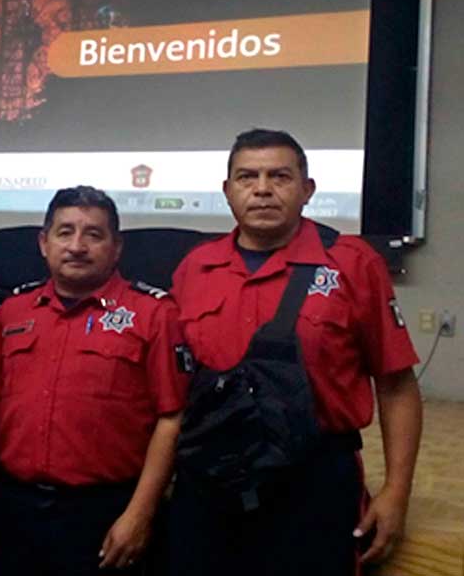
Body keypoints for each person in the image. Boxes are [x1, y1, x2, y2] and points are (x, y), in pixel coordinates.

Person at [169, 128, 422, 576]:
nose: (263, 189)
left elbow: (397, 385)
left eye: (279, 176)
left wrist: (396, 492)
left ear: (307, 191)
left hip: (314, 482)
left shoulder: (352, 263)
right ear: (227, 191)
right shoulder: (195, 267)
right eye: (248, 177)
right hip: (209, 478)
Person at [0, 186, 188, 576]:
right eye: (65, 232)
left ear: (116, 247)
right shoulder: (11, 311)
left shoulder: (153, 315)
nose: (77, 246)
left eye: (93, 234)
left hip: (105, 512)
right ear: (44, 243)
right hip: (15, 509)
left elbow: (172, 417)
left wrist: (139, 515)